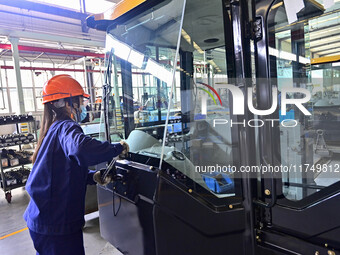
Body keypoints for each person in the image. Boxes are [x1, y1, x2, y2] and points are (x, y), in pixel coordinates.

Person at [23, 74, 129, 255]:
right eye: (80, 100)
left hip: (43, 220)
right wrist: (116, 148)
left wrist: (92, 177)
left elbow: (62, 171)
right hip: (57, 224)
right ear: (67, 102)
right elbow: (81, 150)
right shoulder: (67, 126)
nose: (83, 106)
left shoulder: (53, 128)